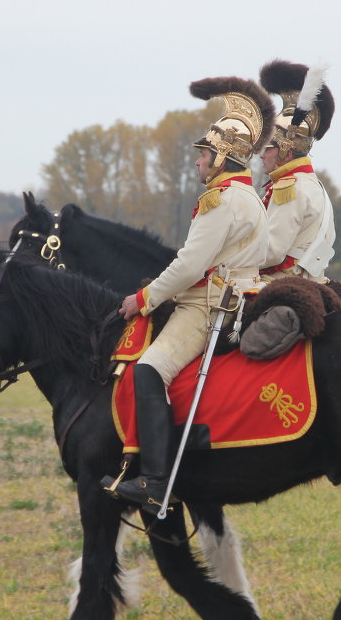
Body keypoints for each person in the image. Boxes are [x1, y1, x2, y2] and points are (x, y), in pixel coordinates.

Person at [105, 75, 275, 509]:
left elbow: (188, 265)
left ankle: (155, 481)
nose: (198, 162)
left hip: (207, 308)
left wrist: (142, 300)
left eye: (203, 154)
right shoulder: (250, 196)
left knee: (148, 370)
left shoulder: (219, 201)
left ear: (222, 156)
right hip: (240, 296)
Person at [256, 60, 336, 283]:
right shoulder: (311, 184)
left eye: (268, 148)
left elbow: (271, 252)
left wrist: (225, 257)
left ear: (286, 150)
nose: (262, 154)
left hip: (281, 282)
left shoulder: (289, 187)